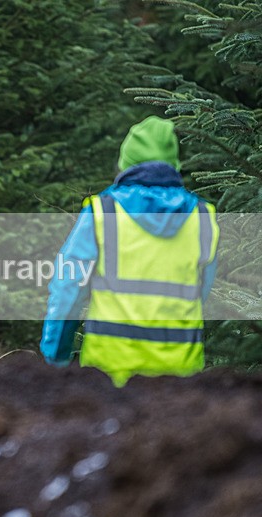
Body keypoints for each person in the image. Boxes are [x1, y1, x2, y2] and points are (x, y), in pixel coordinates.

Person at [40, 115, 219, 386]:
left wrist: (55, 359)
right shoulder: (203, 217)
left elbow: (68, 290)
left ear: (125, 163)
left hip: (108, 374)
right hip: (181, 379)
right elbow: (201, 294)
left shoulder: (103, 211)